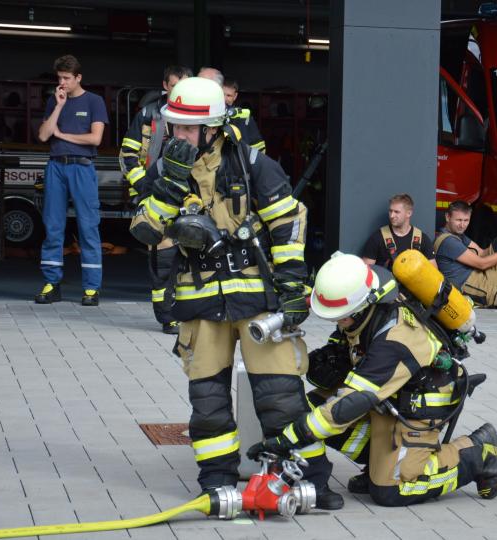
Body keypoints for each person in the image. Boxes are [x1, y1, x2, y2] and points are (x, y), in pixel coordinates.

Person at [126, 77, 342, 510]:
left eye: (188, 128)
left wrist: (292, 287)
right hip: (200, 299)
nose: (178, 134)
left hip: (258, 298)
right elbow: (145, 230)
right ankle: (217, 481)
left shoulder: (253, 166)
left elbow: (287, 224)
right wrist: (169, 185)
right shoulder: (165, 171)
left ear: (213, 129)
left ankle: (310, 480)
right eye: (174, 126)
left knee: (281, 396)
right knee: (208, 403)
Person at [246, 253, 497, 507]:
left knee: (391, 491)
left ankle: (478, 453)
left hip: (418, 405)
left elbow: (351, 403)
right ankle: (378, 464)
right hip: (387, 397)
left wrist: (289, 438)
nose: (337, 321)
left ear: (360, 307)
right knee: (312, 408)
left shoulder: (395, 339)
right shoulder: (365, 304)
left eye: (340, 317)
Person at [119, 64, 192, 334]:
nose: (179, 91)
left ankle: (191, 311)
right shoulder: (149, 114)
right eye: (174, 86)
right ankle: (167, 317)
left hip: (190, 198)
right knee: (163, 260)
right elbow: (127, 155)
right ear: (165, 86)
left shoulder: (200, 116)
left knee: (192, 257)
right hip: (156, 197)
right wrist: (145, 188)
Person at [35, 55, 108, 306]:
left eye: (67, 78)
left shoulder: (94, 101)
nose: (62, 83)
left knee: (88, 227)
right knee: (52, 226)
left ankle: (91, 288)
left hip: (82, 167)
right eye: (59, 78)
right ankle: (51, 284)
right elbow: (44, 136)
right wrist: (58, 106)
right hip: (56, 166)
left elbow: (95, 139)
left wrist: (63, 135)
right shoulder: (53, 100)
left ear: (78, 77)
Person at [360, 193, 436, 269]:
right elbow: (365, 271)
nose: (391, 215)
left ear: (409, 213)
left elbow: (433, 271)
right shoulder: (377, 238)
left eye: (396, 212)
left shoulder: (422, 239)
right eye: (390, 211)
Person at [198, 68, 265, 152]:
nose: (224, 99)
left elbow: (246, 149)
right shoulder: (209, 113)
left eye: (229, 95)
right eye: (222, 94)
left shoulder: (242, 117)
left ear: (235, 96)